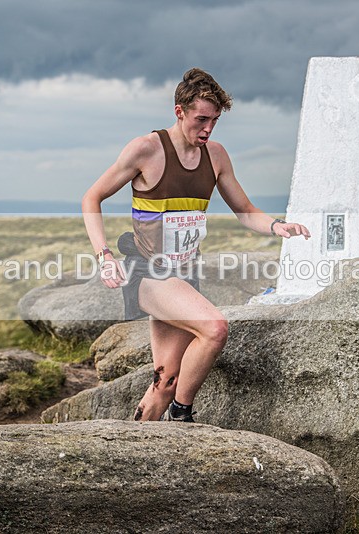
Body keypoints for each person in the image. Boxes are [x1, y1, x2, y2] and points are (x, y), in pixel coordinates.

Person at [82, 68, 310, 423]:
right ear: (179, 112)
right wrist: (104, 255)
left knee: (166, 380)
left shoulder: (216, 156)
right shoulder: (146, 149)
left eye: (214, 121)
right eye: (201, 119)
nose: (207, 129)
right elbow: (91, 197)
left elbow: (246, 211)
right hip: (148, 272)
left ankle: (136, 447)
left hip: (185, 275)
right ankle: (182, 415)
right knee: (215, 328)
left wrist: (278, 225)